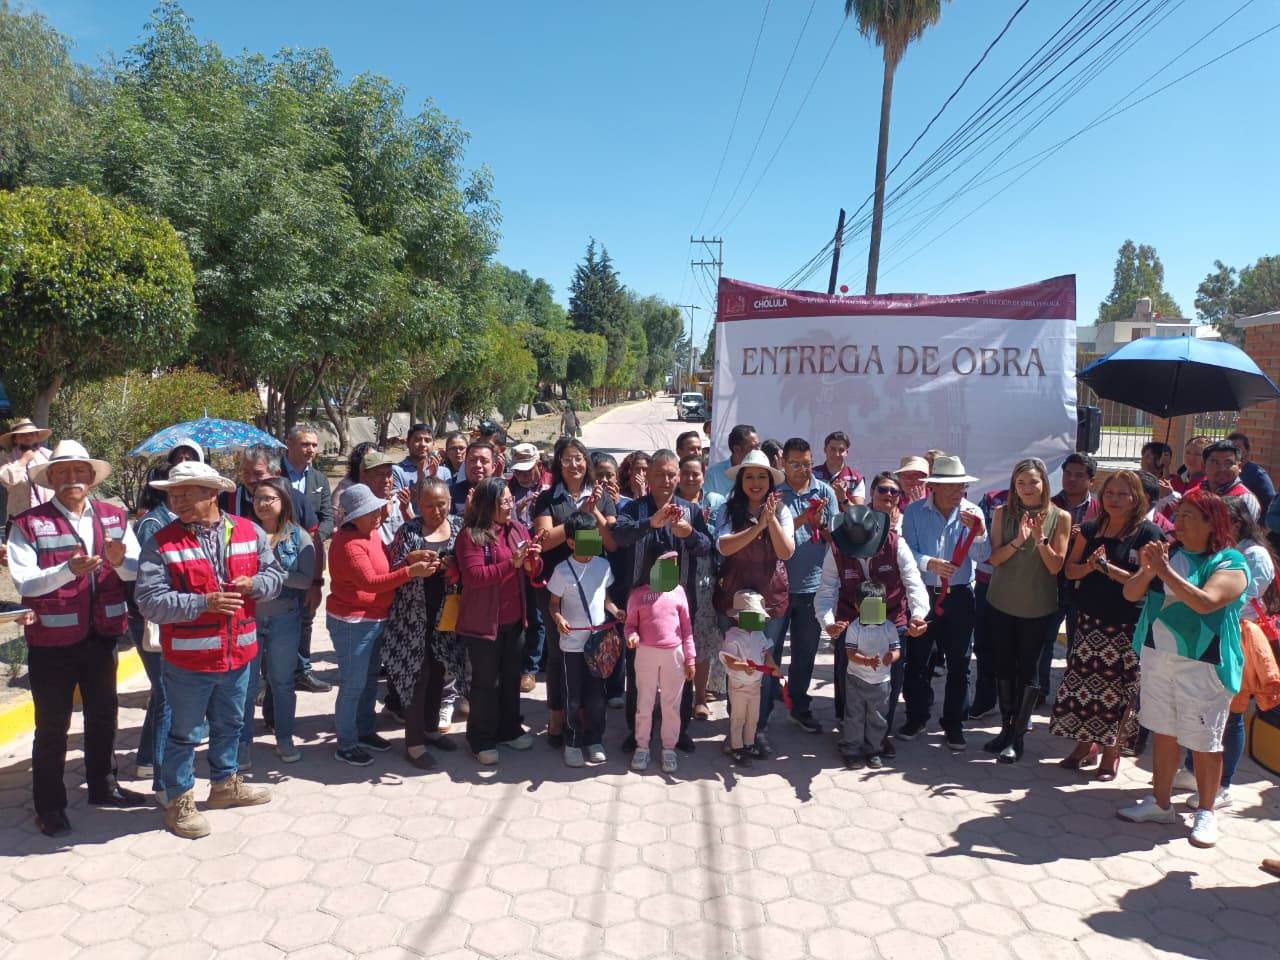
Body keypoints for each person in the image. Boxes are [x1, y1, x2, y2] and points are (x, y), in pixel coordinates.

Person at [135, 461, 285, 839]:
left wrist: (255, 584)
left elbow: (276, 577)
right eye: (172, 493)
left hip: (239, 654)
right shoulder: (162, 542)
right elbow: (150, 602)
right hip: (189, 660)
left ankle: (224, 785)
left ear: (211, 493)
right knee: (184, 733)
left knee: (231, 724)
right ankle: (179, 800)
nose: (176, 500)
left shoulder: (248, 531)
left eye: (185, 493)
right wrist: (204, 603)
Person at [7, 440, 148, 836]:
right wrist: (68, 570)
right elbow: (26, 581)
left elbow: (136, 571)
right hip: (51, 640)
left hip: (102, 635)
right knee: (52, 726)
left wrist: (122, 563)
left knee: (104, 714)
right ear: (51, 479)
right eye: (63, 472)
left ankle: (103, 787)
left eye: (79, 471)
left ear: (91, 476)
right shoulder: (28, 523)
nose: (72, 479)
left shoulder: (116, 518)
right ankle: (49, 806)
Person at [1118, 489, 1249, 848]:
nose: (1180, 520)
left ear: (1212, 522)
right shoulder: (1169, 553)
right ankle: (1160, 803)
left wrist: (1163, 571)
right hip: (1159, 656)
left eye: (1190, 515)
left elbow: (1205, 603)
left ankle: (1206, 812)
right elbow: (1131, 594)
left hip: (1204, 664)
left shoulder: (1230, 562)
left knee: (1205, 743)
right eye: (1179, 513)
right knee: (1163, 732)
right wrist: (1148, 571)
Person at [1050, 471, 1165, 779]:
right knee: (1086, 686)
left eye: (1123, 494)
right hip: (1090, 621)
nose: (1114, 499)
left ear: (1137, 499)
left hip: (1128, 625)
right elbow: (1070, 572)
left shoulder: (1148, 534)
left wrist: (1107, 569)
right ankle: (1084, 745)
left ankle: (1111, 752)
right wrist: (1089, 566)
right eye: (1110, 493)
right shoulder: (1090, 528)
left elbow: (1145, 583)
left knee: (1119, 691)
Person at [610, 450, 712, 753]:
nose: (666, 480)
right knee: (636, 671)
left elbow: (707, 547)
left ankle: (678, 731)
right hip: (640, 608)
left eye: (671, 474)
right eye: (660, 474)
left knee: (679, 671)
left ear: (678, 476)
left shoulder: (690, 511)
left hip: (678, 607)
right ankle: (636, 730)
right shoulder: (635, 509)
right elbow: (620, 536)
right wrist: (650, 524)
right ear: (648, 476)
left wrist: (690, 534)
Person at [1181, 497, 1279, 810]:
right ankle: (1192, 770)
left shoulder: (1254, 554)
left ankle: (1223, 785)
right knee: (1202, 707)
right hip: (1207, 635)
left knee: (1232, 714)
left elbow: (1237, 600)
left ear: (1234, 523)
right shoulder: (1221, 550)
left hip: (1237, 639)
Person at [327, 483, 434, 767]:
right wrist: (410, 571)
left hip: (373, 617)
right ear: (353, 517)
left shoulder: (370, 534)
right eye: (370, 511)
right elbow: (371, 582)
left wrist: (408, 559)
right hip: (353, 621)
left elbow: (384, 561)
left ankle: (363, 731)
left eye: (377, 509)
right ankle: (346, 743)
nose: (377, 515)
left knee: (368, 680)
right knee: (353, 685)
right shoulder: (349, 545)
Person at [816, 502, 929, 761]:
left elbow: (914, 583)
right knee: (850, 681)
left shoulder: (896, 544)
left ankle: (880, 736)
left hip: (892, 620)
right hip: (850, 622)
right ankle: (851, 733)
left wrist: (919, 615)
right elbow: (826, 591)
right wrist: (828, 622)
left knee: (890, 682)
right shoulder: (835, 549)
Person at [981, 458, 1071, 762]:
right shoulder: (1002, 513)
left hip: (1037, 607)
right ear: (1013, 486)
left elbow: (1055, 565)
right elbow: (994, 559)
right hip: (1001, 602)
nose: (1027, 488)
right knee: (1003, 666)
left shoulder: (1060, 517)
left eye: (1033, 481)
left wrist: (1039, 539)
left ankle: (1017, 737)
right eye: (1021, 483)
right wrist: (1019, 539)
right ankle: (1005, 729)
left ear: (1044, 483)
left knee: (1028, 670)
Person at [532, 438, 618, 746]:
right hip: (559, 588)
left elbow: (608, 542)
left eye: (579, 459)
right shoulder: (548, 498)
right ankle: (558, 715)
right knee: (559, 655)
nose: (574, 465)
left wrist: (593, 511)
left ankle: (584, 717)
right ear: (558, 465)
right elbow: (543, 541)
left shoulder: (602, 495)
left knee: (590, 654)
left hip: (593, 588)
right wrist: (580, 511)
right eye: (567, 460)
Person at [900, 455, 987, 750]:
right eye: (950, 485)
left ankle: (953, 724)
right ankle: (917, 716)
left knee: (960, 663)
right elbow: (906, 551)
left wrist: (979, 535)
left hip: (960, 595)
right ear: (934, 486)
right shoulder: (913, 512)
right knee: (917, 661)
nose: (956, 490)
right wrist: (929, 563)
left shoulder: (973, 512)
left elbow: (984, 557)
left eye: (960, 485)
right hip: (923, 595)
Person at [456, 477, 543, 764]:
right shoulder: (471, 535)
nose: (509, 506)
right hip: (483, 624)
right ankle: (480, 739)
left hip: (514, 620)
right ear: (486, 504)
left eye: (509, 500)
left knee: (509, 680)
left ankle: (509, 729)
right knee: (485, 683)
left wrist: (532, 562)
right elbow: (474, 577)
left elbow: (530, 568)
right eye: (502, 501)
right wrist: (511, 564)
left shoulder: (517, 528)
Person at [714, 449, 795, 755]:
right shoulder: (727, 509)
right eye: (750, 476)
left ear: (771, 482)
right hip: (733, 598)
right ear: (741, 480)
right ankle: (735, 730)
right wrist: (757, 527)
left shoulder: (782, 512)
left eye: (762, 476)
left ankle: (758, 729)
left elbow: (786, 552)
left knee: (765, 663)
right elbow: (724, 546)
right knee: (736, 664)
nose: (756, 482)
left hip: (769, 600)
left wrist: (770, 521)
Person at [383, 477, 464, 771]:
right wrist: (411, 560)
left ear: (449, 503)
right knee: (417, 676)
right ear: (418, 505)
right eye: (428, 505)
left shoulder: (459, 526)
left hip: (448, 614)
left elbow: (468, 561)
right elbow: (392, 569)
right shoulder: (409, 530)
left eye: (441, 504)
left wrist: (452, 565)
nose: (436, 510)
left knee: (439, 672)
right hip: (413, 616)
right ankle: (414, 744)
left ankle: (431, 729)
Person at [243, 476, 315, 765]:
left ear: (283, 501)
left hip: (284, 620)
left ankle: (284, 738)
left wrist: (272, 575)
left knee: (282, 682)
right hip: (249, 619)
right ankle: (242, 743)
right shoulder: (244, 533)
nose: (261, 504)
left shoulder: (298, 537)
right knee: (246, 685)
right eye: (257, 498)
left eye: (268, 498)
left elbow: (304, 579)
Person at [547, 511, 622, 767]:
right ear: (571, 543)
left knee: (596, 697)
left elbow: (605, 597)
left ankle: (594, 740)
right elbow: (553, 604)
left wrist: (615, 610)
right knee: (572, 696)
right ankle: (572, 741)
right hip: (572, 647)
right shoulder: (561, 571)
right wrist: (559, 619)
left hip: (598, 644)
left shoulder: (603, 566)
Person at [775, 437, 837, 734]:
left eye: (807, 464)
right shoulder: (774, 494)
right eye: (796, 464)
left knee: (805, 652)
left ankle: (799, 707)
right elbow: (770, 537)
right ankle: (760, 713)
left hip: (812, 587)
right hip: (776, 587)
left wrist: (823, 525)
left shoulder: (824, 491)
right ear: (783, 463)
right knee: (769, 652)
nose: (803, 470)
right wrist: (804, 518)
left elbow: (836, 539)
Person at [625, 550, 695, 773]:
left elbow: (686, 629)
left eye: (674, 566)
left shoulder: (679, 592)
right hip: (646, 653)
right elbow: (629, 625)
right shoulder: (638, 594)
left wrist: (690, 658)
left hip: (674, 655)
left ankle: (668, 748)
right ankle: (642, 746)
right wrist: (631, 636)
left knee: (671, 705)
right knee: (644, 703)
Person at [281, 425, 333, 697]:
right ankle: (271, 677)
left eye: (314, 445)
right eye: (305, 444)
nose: (311, 450)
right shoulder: (274, 475)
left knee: (306, 615)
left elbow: (327, 518)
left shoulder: (320, 479)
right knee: (274, 620)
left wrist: (308, 537)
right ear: (288, 444)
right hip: (277, 559)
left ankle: (302, 670)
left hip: (309, 555)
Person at [677, 454, 727, 717]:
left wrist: (703, 524)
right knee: (675, 638)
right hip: (674, 577)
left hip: (706, 578)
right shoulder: (671, 502)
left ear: (703, 476)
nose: (690, 478)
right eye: (685, 473)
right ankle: (677, 697)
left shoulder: (715, 502)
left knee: (703, 639)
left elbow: (721, 540)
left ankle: (699, 698)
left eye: (695, 474)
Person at [837, 580, 902, 771]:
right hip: (855, 679)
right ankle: (852, 750)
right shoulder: (854, 628)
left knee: (878, 717)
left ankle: (874, 750)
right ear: (857, 607)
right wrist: (866, 661)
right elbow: (849, 652)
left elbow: (896, 649)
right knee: (854, 715)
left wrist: (892, 657)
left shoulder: (889, 627)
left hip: (881, 682)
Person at [508, 442, 549, 691]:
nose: (522, 476)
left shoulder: (549, 487)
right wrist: (516, 513)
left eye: (528, 470)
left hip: (541, 560)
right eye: (519, 471)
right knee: (515, 615)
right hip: (512, 561)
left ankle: (531, 668)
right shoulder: (507, 489)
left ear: (539, 466)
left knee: (537, 615)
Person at [719, 590, 776, 767]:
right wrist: (743, 666)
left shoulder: (759, 634)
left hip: (756, 685)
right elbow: (729, 660)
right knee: (738, 718)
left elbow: (766, 652)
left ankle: (749, 744)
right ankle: (737, 747)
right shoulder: (732, 636)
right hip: (738, 685)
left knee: (753, 717)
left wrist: (772, 665)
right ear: (738, 617)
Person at [0, 417, 54, 518]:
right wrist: (23, 461)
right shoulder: (7, 457)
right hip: (19, 516)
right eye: (22, 435)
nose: (28, 438)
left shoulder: (48, 456)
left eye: (31, 434)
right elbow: (6, 480)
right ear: (15, 439)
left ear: (37, 437)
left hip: (48, 516)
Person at [1200, 439, 1261, 521]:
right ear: (1203, 467)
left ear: (1239, 467)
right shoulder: (1196, 493)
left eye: (1228, 463)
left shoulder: (1244, 500)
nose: (1222, 469)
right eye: (1216, 463)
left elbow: (1241, 532)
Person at [704, 423, 759, 499]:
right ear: (737, 449)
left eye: (758, 446)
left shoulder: (763, 473)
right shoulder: (713, 474)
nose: (758, 450)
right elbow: (707, 505)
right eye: (753, 447)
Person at [812, 430, 865, 509]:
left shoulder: (856, 478)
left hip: (844, 521)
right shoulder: (812, 475)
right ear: (825, 450)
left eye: (841, 450)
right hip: (816, 521)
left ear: (846, 452)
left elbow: (859, 514)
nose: (836, 454)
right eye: (832, 449)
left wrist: (843, 499)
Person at [392, 422, 450, 492]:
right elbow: (397, 501)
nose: (423, 444)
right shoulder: (395, 471)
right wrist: (420, 479)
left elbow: (447, 500)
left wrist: (434, 477)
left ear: (433, 444)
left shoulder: (444, 472)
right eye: (417, 440)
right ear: (407, 443)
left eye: (427, 440)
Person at [1228, 432, 1275, 516]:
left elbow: (1270, 503)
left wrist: (1261, 524)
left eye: (1237, 448)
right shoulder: (1223, 471)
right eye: (1229, 448)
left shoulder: (1257, 474)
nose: (1233, 451)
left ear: (1247, 451)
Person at [332, 442, 378, 524]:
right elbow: (337, 521)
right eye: (369, 460)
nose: (374, 463)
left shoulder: (382, 482)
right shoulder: (343, 491)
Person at [450, 441, 499, 516]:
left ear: (493, 467)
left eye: (484, 461)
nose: (478, 465)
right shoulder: (450, 493)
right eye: (472, 460)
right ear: (465, 465)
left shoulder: (501, 493)